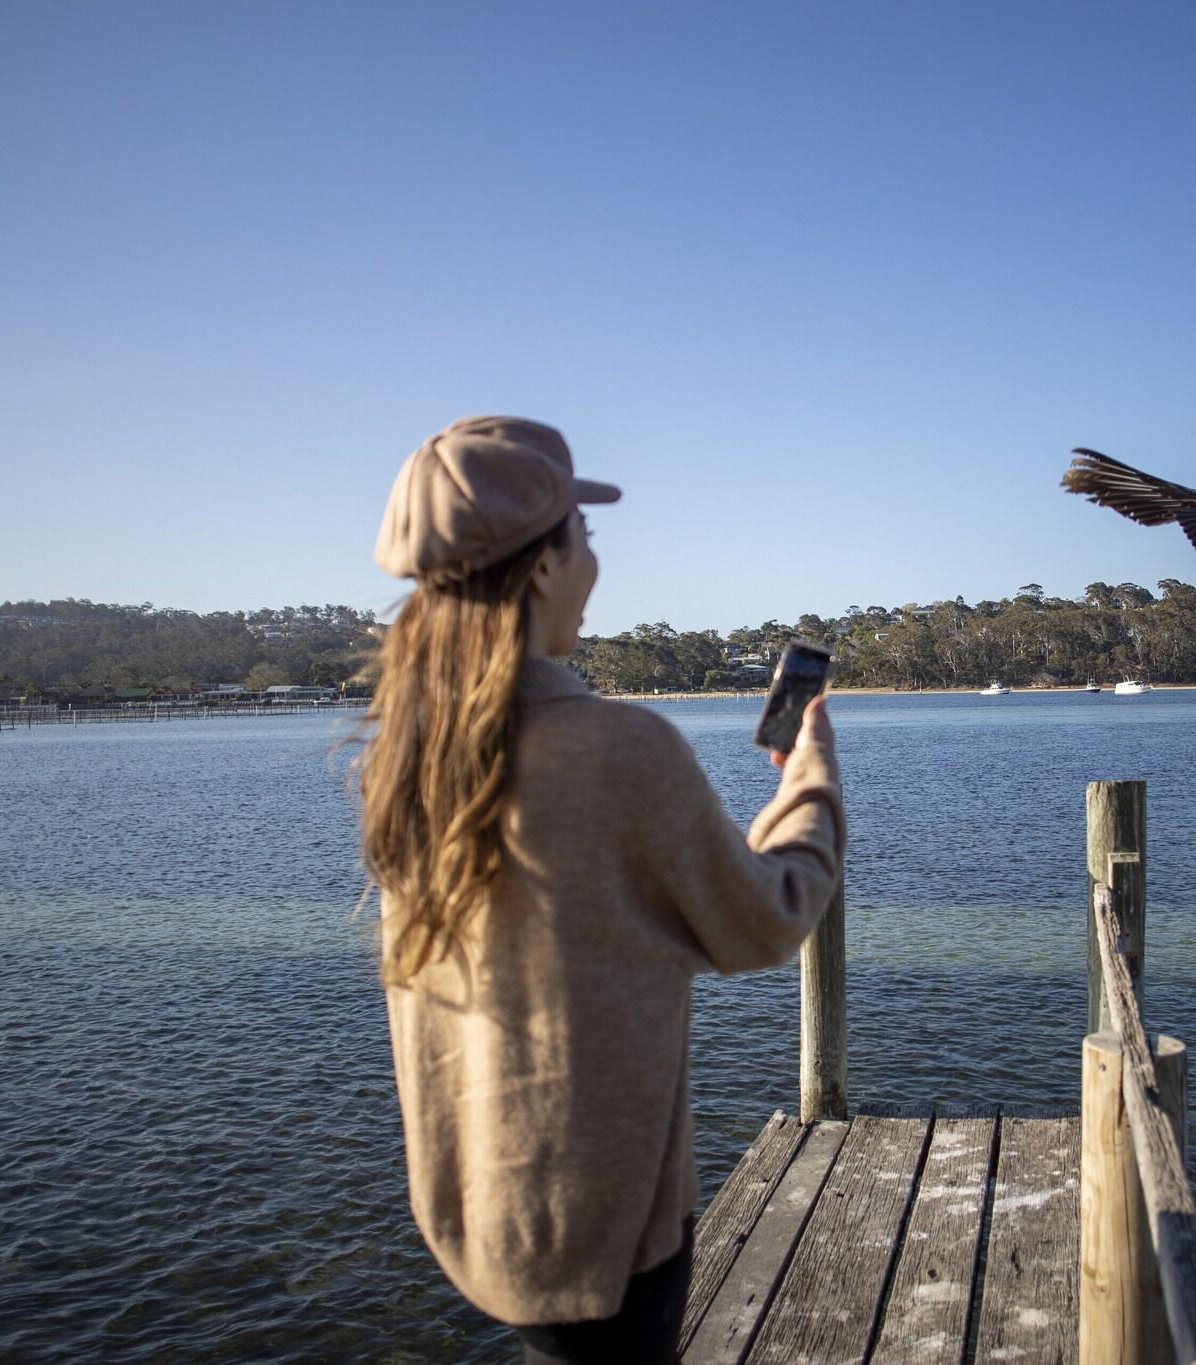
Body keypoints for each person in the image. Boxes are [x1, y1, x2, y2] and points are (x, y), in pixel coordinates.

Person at [359, 416, 845, 1364]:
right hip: (612, 1237)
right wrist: (811, 780)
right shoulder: (620, 751)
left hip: (493, 1225)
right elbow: (765, 916)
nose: (593, 561)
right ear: (543, 567)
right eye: (584, 536)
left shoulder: (413, 761)